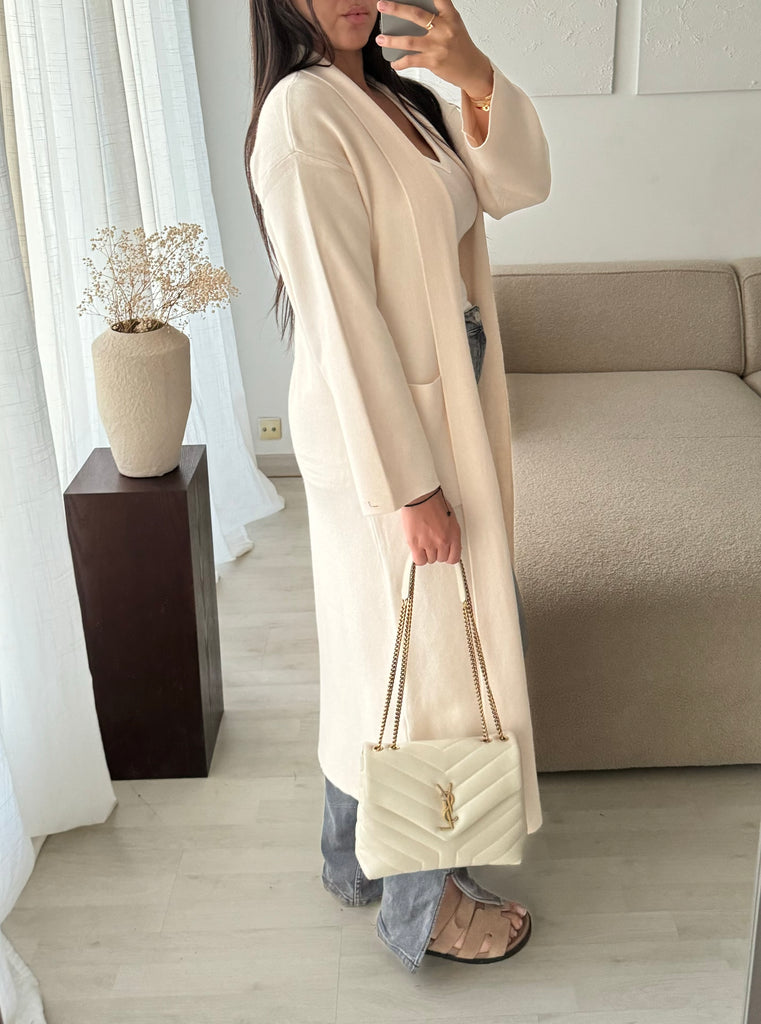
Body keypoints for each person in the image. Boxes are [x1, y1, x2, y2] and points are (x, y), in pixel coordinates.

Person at [245, 0, 551, 973]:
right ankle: (422, 908)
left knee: (378, 642)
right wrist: (410, 488)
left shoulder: (400, 98)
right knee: (426, 664)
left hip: (435, 402)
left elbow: (514, 185)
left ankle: (351, 858)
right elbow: (339, 315)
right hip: (380, 428)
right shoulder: (301, 112)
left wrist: (473, 75)